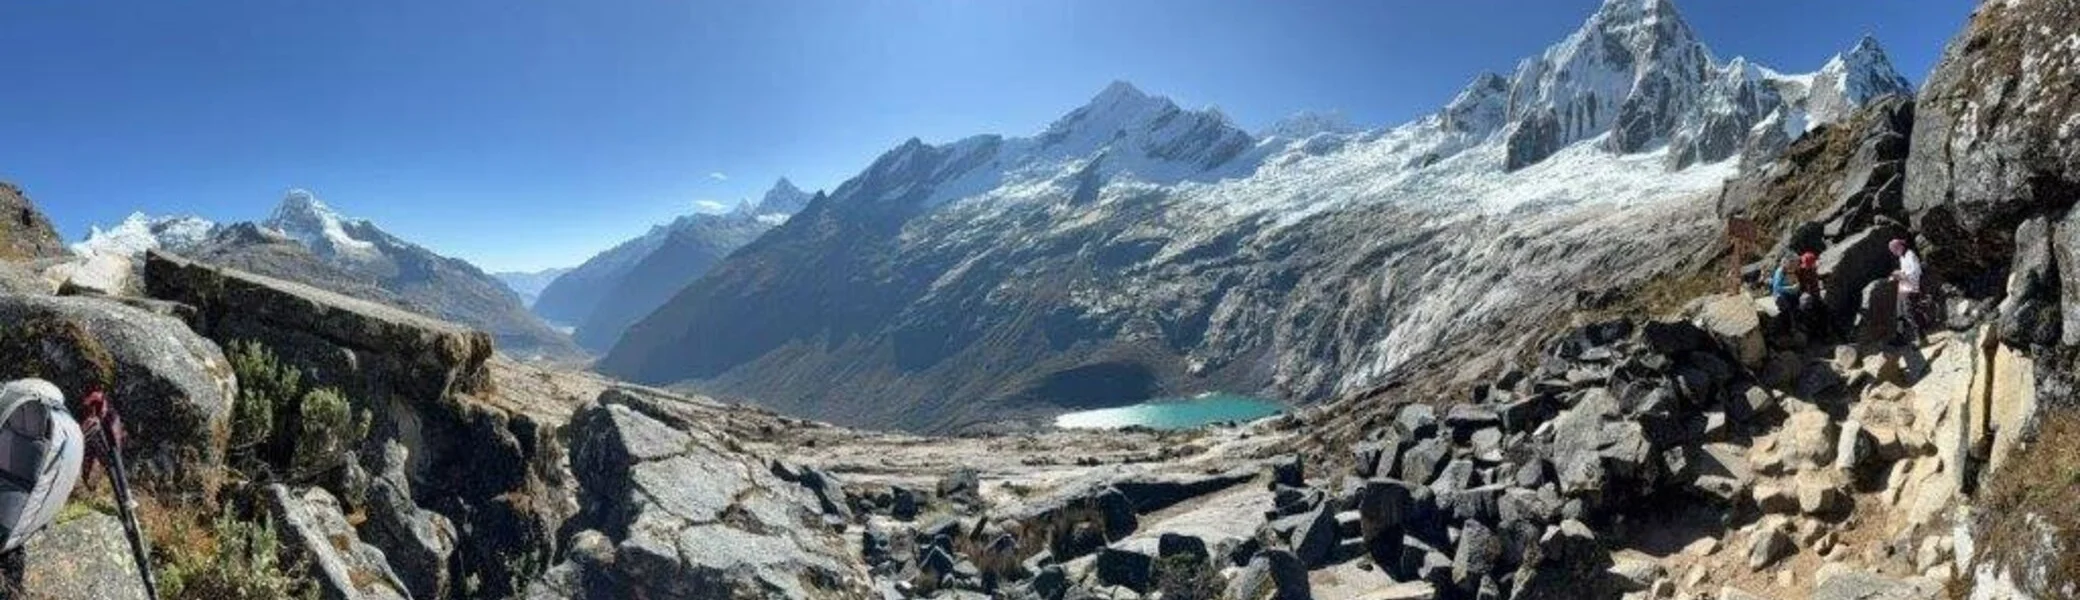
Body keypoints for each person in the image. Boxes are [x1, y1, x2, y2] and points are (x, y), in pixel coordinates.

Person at [1889, 238, 1925, 344]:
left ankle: (1920, 338)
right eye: (1892, 251)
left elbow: (1917, 271)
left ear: (1900, 246)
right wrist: (1897, 273)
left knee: (1909, 312)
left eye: (1894, 250)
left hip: (1911, 286)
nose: (1894, 253)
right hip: (1903, 286)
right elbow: (1905, 271)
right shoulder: (1902, 257)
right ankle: (1900, 336)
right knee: (1899, 312)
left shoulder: (1910, 254)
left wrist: (1902, 275)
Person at [1794, 251, 1829, 335]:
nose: (1807, 267)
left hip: (1814, 295)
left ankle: (1825, 333)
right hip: (1806, 296)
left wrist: (1823, 277)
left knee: (1825, 310)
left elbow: (1815, 279)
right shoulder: (1800, 272)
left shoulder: (1812, 269)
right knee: (1810, 311)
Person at [1770, 255, 1800, 326]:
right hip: (1781, 295)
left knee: (1798, 305)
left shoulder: (1793, 270)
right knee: (1788, 308)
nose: (1793, 266)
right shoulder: (1780, 272)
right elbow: (1777, 287)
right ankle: (1790, 327)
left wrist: (1796, 285)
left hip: (1792, 294)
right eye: (1792, 264)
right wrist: (1791, 288)